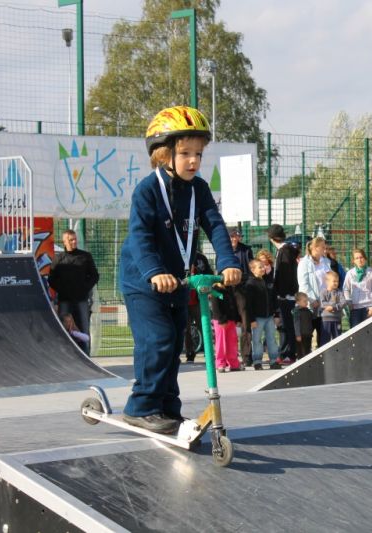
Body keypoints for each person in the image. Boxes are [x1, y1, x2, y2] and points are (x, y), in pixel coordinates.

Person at [118, 105, 241, 434]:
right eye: (185, 153)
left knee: (174, 344)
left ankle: (167, 408)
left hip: (179, 281)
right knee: (157, 339)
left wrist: (228, 263)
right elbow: (140, 236)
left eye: (198, 154)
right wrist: (155, 272)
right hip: (144, 282)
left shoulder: (198, 189)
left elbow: (215, 226)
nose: (194, 161)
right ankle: (140, 406)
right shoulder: (147, 190)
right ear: (163, 154)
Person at [49, 229, 99, 355]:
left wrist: (84, 287)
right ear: (64, 241)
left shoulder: (85, 256)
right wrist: (62, 289)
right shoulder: (58, 259)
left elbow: (94, 276)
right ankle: (65, 357)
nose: (74, 242)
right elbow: (51, 279)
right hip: (64, 301)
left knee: (83, 328)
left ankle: (86, 357)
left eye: (75, 239)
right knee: (64, 330)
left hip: (81, 300)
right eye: (71, 240)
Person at [268, 224, 299, 363]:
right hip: (287, 294)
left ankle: (287, 353)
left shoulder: (284, 251)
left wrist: (281, 292)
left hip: (285, 295)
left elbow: (285, 274)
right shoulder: (287, 250)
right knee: (286, 325)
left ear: (272, 238)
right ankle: (289, 353)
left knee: (286, 326)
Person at [297, 236, 332, 347]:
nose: (324, 250)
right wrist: (312, 299)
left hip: (324, 303)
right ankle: (305, 358)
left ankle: (323, 358)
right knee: (307, 334)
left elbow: (330, 279)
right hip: (311, 305)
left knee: (324, 334)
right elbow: (303, 284)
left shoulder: (326, 261)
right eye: (322, 247)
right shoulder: (304, 263)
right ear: (315, 248)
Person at [245, 259, 279, 370]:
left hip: (269, 316)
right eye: (260, 267)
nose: (263, 268)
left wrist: (276, 314)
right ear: (252, 270)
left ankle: (274, 360)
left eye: (263, 266)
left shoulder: (268, 281)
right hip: (257, 318)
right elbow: (248, 304)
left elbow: (274, 299)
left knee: (271, 339)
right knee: (256, 340)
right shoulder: (250, 284)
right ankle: (257, 361)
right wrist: (252, 319)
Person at [229, 228, 254, 367]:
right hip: (228, 289)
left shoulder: (246, 250)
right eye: (232, 236)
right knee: (230, 323)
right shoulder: (224, 250)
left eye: (236, 236)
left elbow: (250, 268)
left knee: (245, 323)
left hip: (242, 287)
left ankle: (246, 356)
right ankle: (230, 356)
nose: (234, 239)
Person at [183, 251, 213, 363]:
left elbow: (209, 273)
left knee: (204, 326)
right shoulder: (178, 254)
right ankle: (190, 353)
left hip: (198, 301)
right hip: (184, 302)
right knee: (186, 329)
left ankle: (208, 351)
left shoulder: (200, 258)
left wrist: (209, 288)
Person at [210, 284, 244, 372]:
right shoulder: (215, 290)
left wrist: (238, 319)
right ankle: (220, 363)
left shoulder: (230, 289)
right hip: (220, 321)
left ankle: (233, 364)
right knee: (220, 343)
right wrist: (221, 320)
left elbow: (234, 305)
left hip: (231, 319)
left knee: (232, 343)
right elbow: (215, 306)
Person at [342, 248, 372, 329]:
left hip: (369, 308)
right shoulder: (350, 273)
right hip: (355, 309)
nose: (359, 260)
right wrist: (349, 302)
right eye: (357, 258)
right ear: (353, 261)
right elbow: (345, 289)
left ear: (365, 258)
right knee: (356, 334)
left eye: (361, 257)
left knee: (371, 333)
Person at [319, 271, 346, 344]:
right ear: (327, 282)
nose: (336, 283)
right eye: (334, 281)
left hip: (337, 319)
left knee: (337, 338)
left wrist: (333, 307)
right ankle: (324, 353)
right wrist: (331, 306)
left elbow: (343, 302)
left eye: (337, 281)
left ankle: (338, 353)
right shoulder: (323, 292)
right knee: (325, 338)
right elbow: (322, 303)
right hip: (326, 319)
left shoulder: (339, 292)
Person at [292, 292, 315, 362]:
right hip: (301, 335)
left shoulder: (308, 311)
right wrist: (298, 335)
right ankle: (301, 363)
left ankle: (307, 363)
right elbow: (296, 324)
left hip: (308, 334)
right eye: (304, 301)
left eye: (307, 301)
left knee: (307, 350)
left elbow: (311, 322)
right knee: (301, 352)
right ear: (298, 302)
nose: (306, 303)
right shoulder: (296, 312)